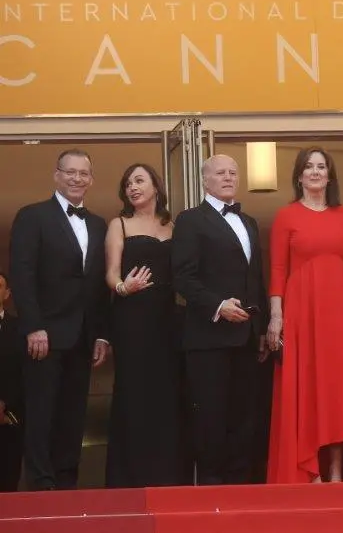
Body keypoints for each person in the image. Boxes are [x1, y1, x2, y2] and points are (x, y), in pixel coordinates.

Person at [265, 148, 343, 483]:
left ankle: (335, 470)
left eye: (321, 167)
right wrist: (276, 315)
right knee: (308, 385)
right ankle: (310, 470)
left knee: (339, 389)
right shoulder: (286, 216)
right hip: (302, 311)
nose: (315, 172)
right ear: (299, 176)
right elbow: (278, 269)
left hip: (341, 312)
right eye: (309, 167)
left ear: (330, 176)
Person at [8, 149, 110, 490]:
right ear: (57, 175)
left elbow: (98, 285)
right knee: (41, 414)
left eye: (84, 173)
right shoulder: (32, 216)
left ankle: (67, 485)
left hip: (82, 337)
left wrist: (101, 334)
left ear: (91, 180)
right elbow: (22, 274)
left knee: (73, 416)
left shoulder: (99, 224)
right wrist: (33, 325)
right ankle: (41, 485)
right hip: (45, 335)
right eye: (70, 172)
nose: (77, 178)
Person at [171, 154, 269, 485]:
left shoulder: (250, 222)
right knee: (210, 421)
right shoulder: (190, 220)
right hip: (208, 338)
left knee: (244, 420)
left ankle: (239, 493)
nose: (228, 177)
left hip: (246, 337)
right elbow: (183, 277)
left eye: (233, 173)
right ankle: (211, 494)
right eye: (220, 173)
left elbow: (256, 280)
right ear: (205, 180)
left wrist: (261, 328)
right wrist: (218, 305)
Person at [103, 163, 183, 487]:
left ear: (156, 187)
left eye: (139, 181)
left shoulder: (174, 226)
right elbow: (110, 273)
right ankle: (130, 480)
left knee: (167, 394)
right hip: (132, 318)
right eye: (128, 184)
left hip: (167, 320)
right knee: (134, 393)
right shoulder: (119, 224)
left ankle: (167, 478)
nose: (132, 187)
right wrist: (124, 287)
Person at [0, 271, 25, 491]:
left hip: (9, 419)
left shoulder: (19, 329)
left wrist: (4, 404)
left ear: (7, 293)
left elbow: (21, 372)